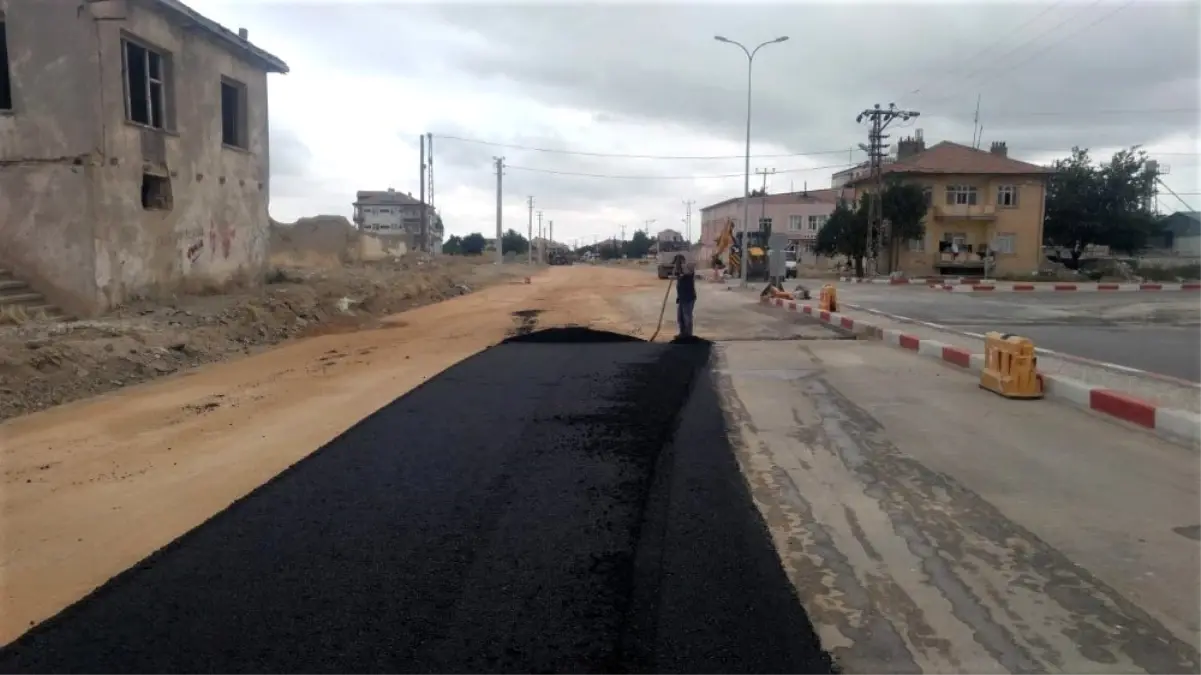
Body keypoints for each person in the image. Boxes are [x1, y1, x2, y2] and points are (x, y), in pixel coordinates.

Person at [673, 254, 696, 339]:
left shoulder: (688, 269)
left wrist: (680, 264)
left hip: (688, 297)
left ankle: (688, 335)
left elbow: (686, 272)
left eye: (678, 262)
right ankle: (682, 334)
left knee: (687, 317)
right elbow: (677, 273)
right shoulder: (679, 271)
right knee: (680, 318)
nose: (677, 265)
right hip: (682, 298)